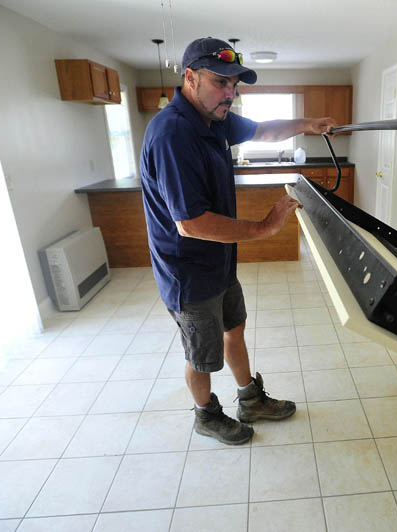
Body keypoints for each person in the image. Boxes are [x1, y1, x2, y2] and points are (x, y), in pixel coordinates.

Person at [139, 37, 337, 445]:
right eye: (220, 82)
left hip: (219, 261)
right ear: (190, 77)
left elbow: (263, 131)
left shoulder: (213, 117)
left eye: (235, 84)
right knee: (202, 353)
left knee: (234, 327)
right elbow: (190, 224)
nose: (230, 93)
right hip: (188, 272)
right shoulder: (173, 132)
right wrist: (264, 227)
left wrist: (305, 125)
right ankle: (206, 415)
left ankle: (250, 400)